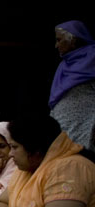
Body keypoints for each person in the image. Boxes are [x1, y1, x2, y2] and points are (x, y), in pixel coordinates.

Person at [49, 20, 95, 153]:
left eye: (59, 40)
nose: (56, 45)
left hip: (86, 129)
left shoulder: (92, 59)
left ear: (73, 40)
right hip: (63, 127)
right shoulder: (64, 65)